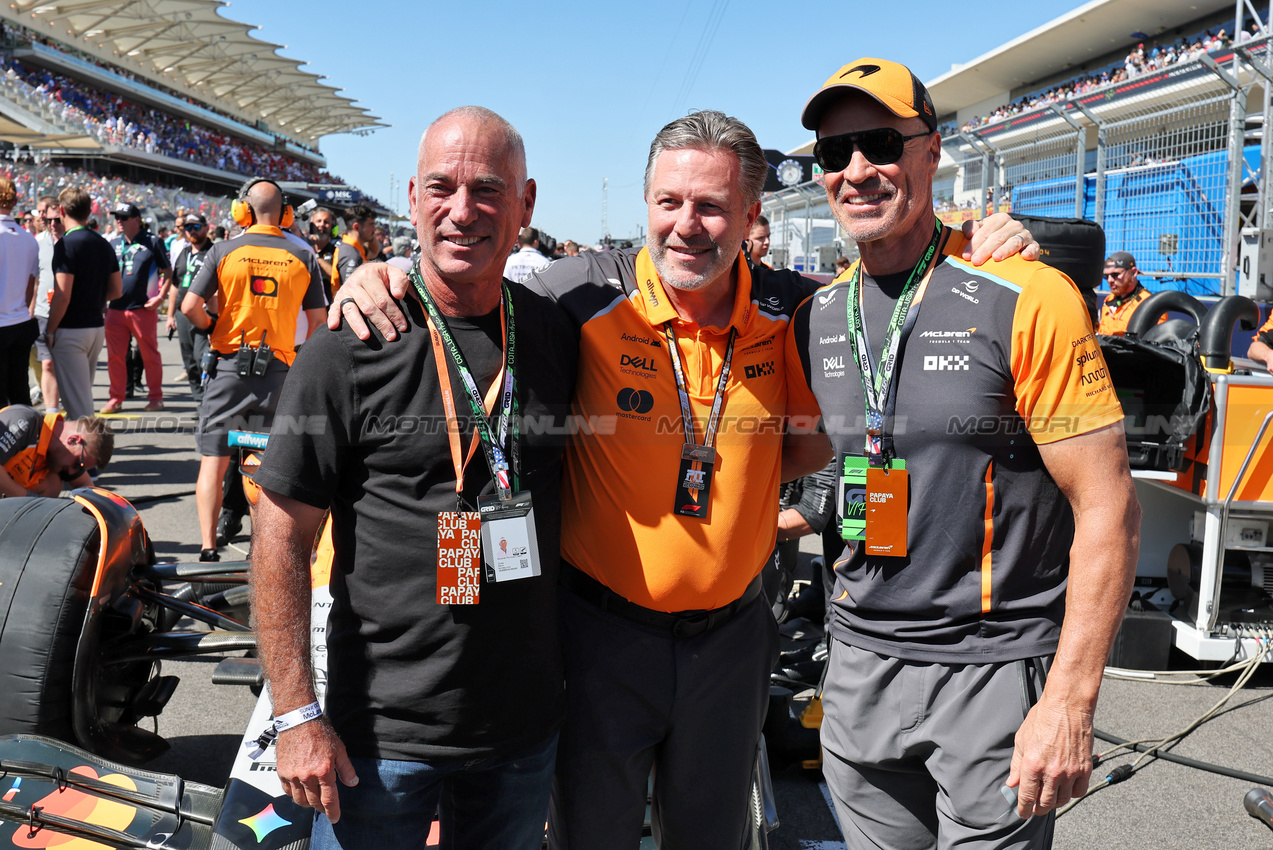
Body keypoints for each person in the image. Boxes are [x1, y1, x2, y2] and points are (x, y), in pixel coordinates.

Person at [332, 108, 1037, 849]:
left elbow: (859, 367)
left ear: (749, 216)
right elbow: (464, 289)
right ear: (646, 204)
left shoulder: (798, 309)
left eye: (710, 207)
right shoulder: (577, 295)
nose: (686, 226)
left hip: (730, 643)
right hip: (597, 639)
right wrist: (381, 273)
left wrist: (996, 244)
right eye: (669, 203)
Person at [785, 57, 1140, 848]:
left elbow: (1108, 507)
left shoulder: (1024, 291)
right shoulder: (814, 315)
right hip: (856, 671)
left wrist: (1070, 702)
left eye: (878, 142)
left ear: (930, 150)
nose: (856, 170)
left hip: (990, 673)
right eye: (833, 154)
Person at [251, 106, 575, 850]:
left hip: (521, 732)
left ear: (525, 204)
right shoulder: (350, 343)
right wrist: (296, 715)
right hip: (380, 737)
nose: (462, 211)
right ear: (411, 198)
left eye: (488, 190)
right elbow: (278, 534)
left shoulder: (556, 331)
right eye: (442, 187)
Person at [181, 177, 325, 562]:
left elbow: (189, 307)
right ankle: (263, 548)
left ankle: (208, 548)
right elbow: (318, 320)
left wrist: (215, 328)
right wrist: (297, 355)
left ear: (243, 211)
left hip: (229, 367)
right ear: (286, 214)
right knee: (269, 466)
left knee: (214, 460)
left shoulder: (224, 251)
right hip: (280, 370)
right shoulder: (304, 255)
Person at [48, 186, 121, 420]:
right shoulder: (102, 243)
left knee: (79, 408)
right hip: (95, 327)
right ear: (89, 211)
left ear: (61, 210)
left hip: (71, 329)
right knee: (82, 397)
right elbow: (116, 290)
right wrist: (93, 296)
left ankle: (87, 455)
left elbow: (62, 294)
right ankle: (85, 452)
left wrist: (49, 330)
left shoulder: (66, 244)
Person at [103, 202, 170, 413]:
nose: (119, 222)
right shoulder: (113, 243)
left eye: (123, 217)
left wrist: (160, 297)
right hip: (115, 309)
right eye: (117, 217)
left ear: (136, 220)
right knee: (114, 356)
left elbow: (168, 271)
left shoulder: (153, 242)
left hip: (143, 308)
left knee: (149, 354)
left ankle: (156, 397)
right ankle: (116, 398)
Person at [0, 404, 112, 496]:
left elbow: (85, 486)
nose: (73, 472)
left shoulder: (59, 452)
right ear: (73, 440)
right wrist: (28, 501)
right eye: (77, 464)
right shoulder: (23, 421)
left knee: (53, 482)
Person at [0, 176, 39, 408]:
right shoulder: (29, 239)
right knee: (19, 389)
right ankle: (27, 439)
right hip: (20, 320)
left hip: (4, 323)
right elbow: (29, 288)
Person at [166, 213, 214, 401]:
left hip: (204, 312)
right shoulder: (184, 253)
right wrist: (170, 316)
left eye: (196, 227)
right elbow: (175, 285)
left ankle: (209, 399)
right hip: (182, 314)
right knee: (189, 361)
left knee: (201, 356)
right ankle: (199, 401)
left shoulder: (213, 251)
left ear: (206, 227)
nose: (192, 231)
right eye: (188, 228)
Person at [33, 197, 64, 413]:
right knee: (47, 364)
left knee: (68, 367)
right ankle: (52, 413)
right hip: (42, 312)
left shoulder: (74, 241)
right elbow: (32, 278)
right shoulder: (37, 242)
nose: (51, 223)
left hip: (69, 312)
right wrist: (31, 307)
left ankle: (74, 409)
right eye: (46, 217)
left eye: (56, 219)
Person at [1096, 251, 1159, 336]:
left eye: (1115, 274)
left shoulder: (1150, 304)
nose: (1110, 280)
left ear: (1133, 272)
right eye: (1106, 276)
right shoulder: (1108, 300)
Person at [330, 203, 377, 295]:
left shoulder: (354, 248)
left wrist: (370, 233)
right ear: (357, 227)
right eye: (371, 224)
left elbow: (375, 251)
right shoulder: (351, 254)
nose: (374, 228)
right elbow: (351, 293)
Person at [307, 206, 339, 299]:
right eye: (318, 221)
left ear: (332, 227)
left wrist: (316, 258)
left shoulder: (337, 250)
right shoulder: (303, 246)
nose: (322, 225)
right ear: (312, 225)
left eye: (326, 222)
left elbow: (336, 278)